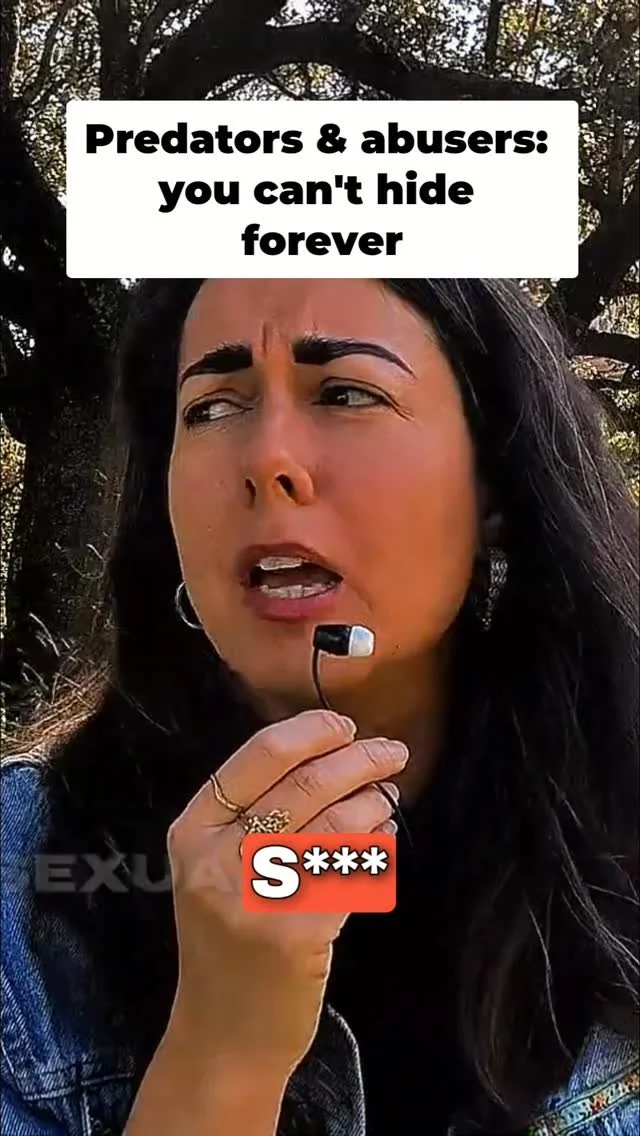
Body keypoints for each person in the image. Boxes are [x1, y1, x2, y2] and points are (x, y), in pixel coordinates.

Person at [1, 278, 638, 1136]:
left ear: (492, 485)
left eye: (345, 393)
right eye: (212, 407)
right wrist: (221, 1055)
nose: (267, 459)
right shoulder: (19, 886)